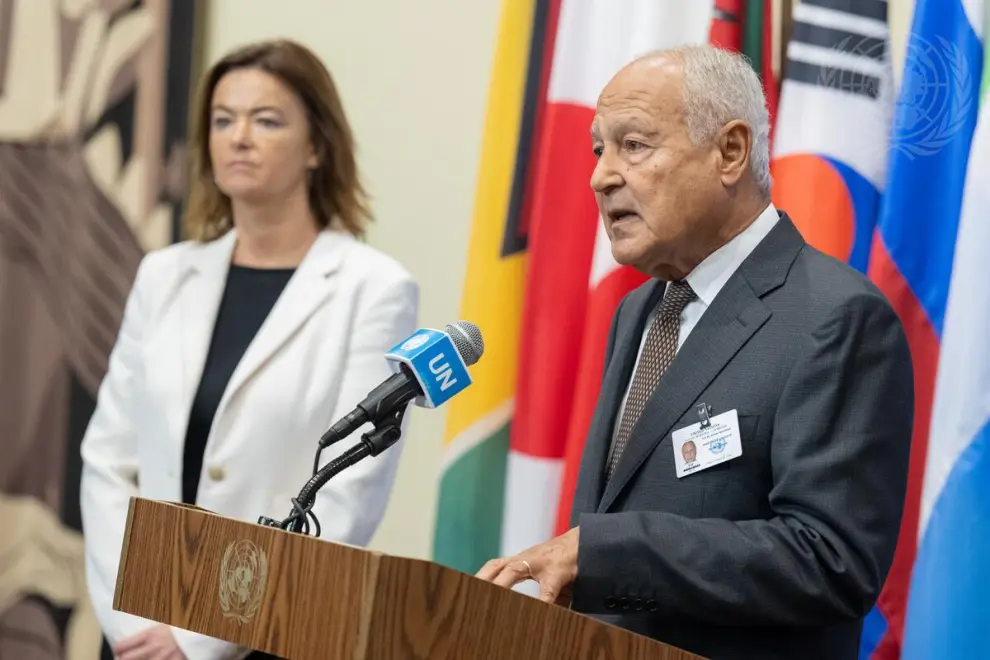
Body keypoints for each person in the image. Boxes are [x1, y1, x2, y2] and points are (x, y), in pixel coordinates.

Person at [476, 45, 913, 660]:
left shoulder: (837, 317)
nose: (601, 176)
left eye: (634, 145)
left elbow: (831, 560)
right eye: (599, 149)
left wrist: (610, 553)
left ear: (730, 151)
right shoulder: (639, 313)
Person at [79, 39, 419, 660]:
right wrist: (126, 625)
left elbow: (347, 494)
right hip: (137, 633)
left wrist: (198, 641)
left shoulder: (374, 290)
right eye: (222, 119)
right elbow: (108, 462)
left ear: (316, 146)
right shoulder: (164, 274)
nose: (239, 137)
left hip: (263, 634)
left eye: (266, 120)